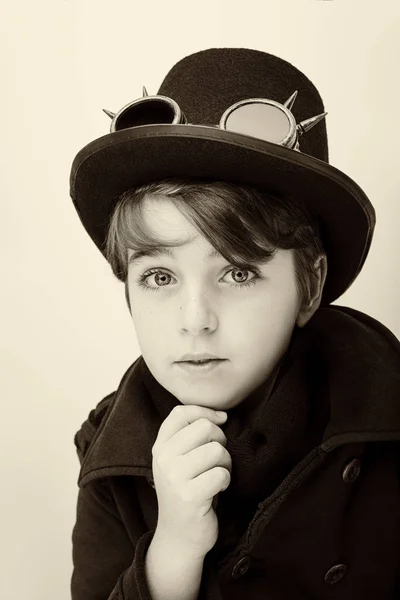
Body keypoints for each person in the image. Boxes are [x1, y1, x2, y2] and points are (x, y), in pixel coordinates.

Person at [69, 48, 400, 600]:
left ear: (309, 286)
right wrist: (173, 549)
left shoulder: (385, 414)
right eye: (158, 278)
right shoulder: (113, 455)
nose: (195, 321)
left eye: (239, 273)